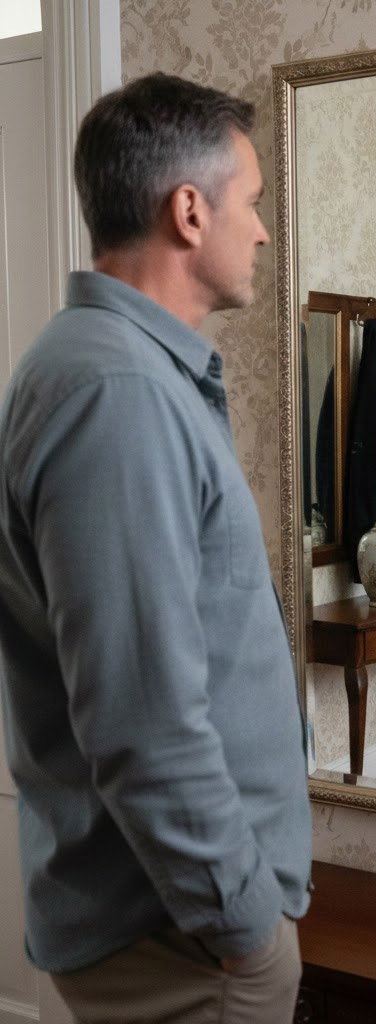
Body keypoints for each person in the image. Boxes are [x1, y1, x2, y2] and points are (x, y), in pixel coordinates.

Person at [0, 74, 312, 1023]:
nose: (263, 231)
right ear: (189, 211)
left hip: (182, 931)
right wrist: (245, 927)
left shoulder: (125, 373)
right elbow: (141, 719)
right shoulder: (116, 394)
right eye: (252, 202)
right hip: (185, 943)